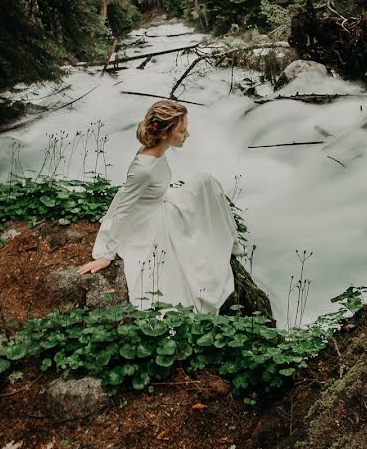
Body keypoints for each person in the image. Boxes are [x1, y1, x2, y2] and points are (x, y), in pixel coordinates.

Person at [76, 100, 246, 313]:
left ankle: (231, 241)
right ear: (164, 134)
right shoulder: (143, 169)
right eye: (182, 130)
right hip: (147, 220)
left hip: (161, 200)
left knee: (206, 182)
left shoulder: (157, 147)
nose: (188, 135)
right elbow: (124, 208)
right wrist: (107, 255)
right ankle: (227, 243)